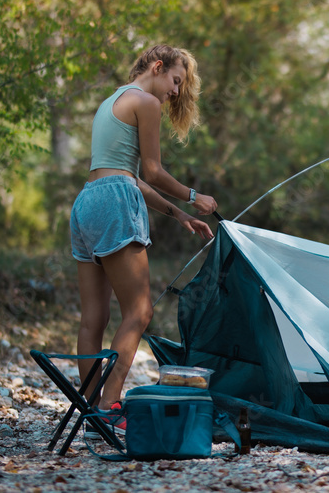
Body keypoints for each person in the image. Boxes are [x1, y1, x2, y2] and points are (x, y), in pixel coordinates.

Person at [69, 44, 217, 430]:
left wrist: (179, 215)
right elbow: (151, 172)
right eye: (176, 81)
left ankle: (89, 409)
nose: (175, 92)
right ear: (157, 66)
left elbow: (128, 176)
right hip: (115, 205)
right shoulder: (145, 103)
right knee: (140, 311)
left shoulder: (112, 101)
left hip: (86, 203)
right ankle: (110, 404)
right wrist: (193, 196)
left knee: (93, 319)